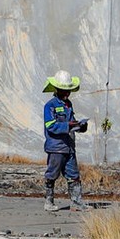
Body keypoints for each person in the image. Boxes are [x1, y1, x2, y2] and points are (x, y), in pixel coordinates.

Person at [41, 72, 90, 211]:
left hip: (69, 147)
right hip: (56, 147)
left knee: (74, 175)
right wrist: (68, 125)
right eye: (64, 90)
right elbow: (50, 126)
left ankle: (76, 202)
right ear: (57, 89)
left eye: (68, 90)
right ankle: (48, 202)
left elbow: (72, 124)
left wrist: (81, 127)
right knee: (52, 174)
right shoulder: (50, 106)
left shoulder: (69, 105)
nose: (67, 93)